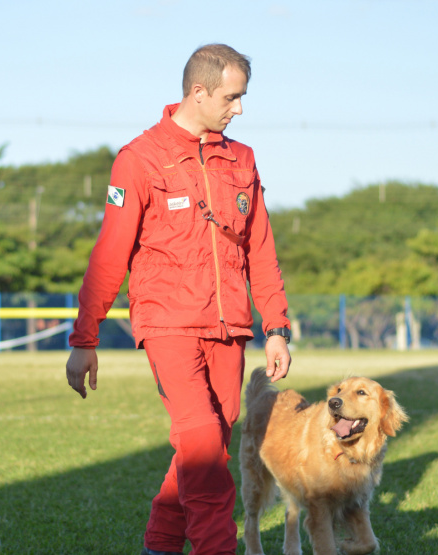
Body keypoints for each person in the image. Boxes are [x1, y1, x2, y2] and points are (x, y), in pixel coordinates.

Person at [65, 43, 292, 555]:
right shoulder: (139, 158)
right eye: (233, 98)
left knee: (203, 446)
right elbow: (109, 256)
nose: (240, 109)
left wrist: (276, 328)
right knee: (205, 453)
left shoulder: (243, 159)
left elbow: (261, 248)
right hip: (166, 325)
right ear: (198, 91)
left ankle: (160, 546)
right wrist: (85, 338)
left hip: (230, 327)